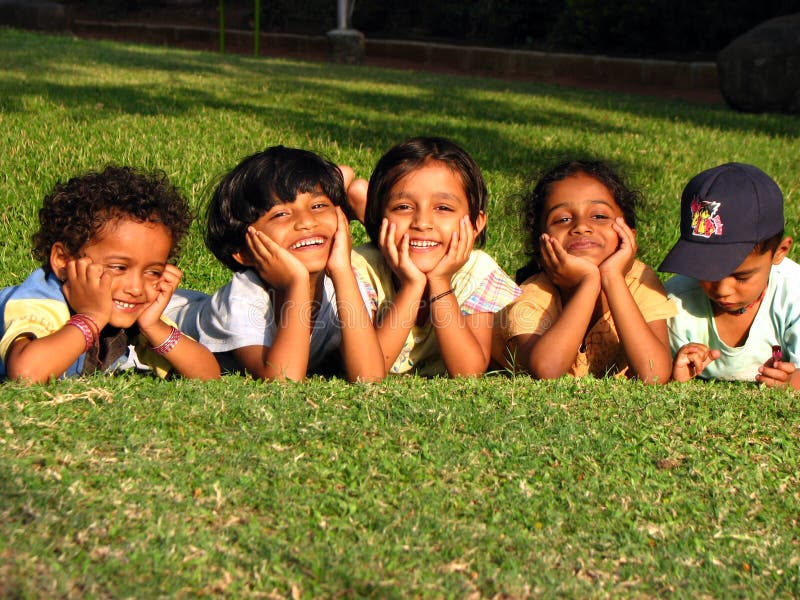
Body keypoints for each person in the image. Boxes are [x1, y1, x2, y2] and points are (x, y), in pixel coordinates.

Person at [167, 146, 384, 382]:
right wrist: (297, 283)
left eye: (318, 206)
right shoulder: (242, 300)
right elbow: (283, 380)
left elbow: (370, 376)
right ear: (244, 251)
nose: (307, 222)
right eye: (280, 214)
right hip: (158, 314)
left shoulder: (342, 285)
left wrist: (342, 271)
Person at [0, 166, 220, 383]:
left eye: (153, 272)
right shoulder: (40, 300)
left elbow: (208, 374)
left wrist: (154, 327)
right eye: (118, 267)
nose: (135, 288)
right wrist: (91, 317)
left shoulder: (130, 309)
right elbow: (26, 375)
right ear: (63, 260)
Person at [346, 136, 520, 377]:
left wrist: (439, 283)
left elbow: (468, 371)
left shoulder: (477, 272)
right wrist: (412, 286)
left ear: (475, 224)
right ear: (377, 217)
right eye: (403, 207)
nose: (422, 223)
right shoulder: (363, 267)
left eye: (443, 208)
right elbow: (368, 372)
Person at [492, 159, 674, 383]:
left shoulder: (640, 281)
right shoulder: (535, 295)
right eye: (563, 219)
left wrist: (612, 278)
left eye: (599, 216)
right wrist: (589, 282)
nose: (581, 226)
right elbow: (547, 371)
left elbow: (653, 374)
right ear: (541, 247)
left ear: (629, 234)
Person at [659, 162, 799, 389]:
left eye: (742, 277)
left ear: (779, 252)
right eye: (705, 271)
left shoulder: (794, 294)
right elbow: (652, 371)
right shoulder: (675, 303)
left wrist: (790, 381)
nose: (722, 289)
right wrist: (675, 377)